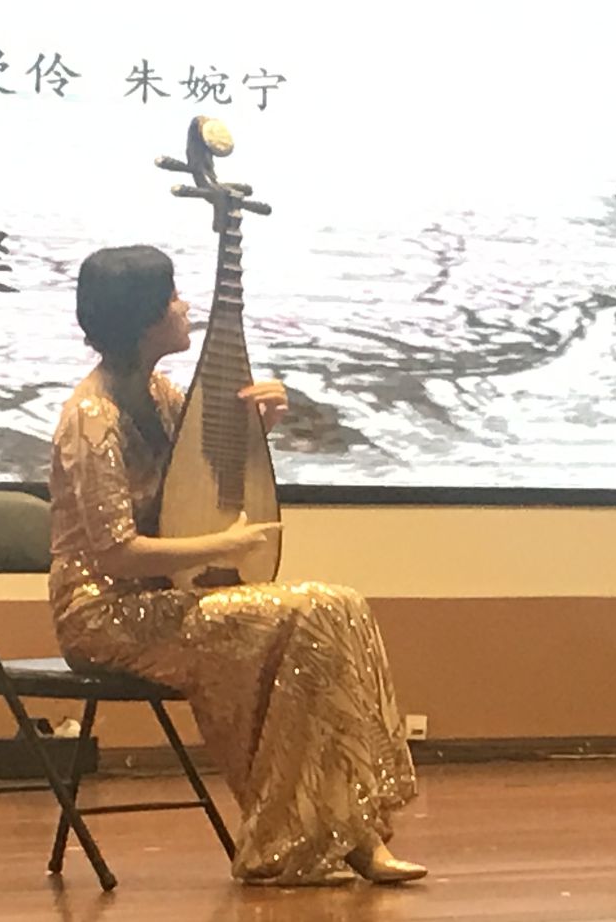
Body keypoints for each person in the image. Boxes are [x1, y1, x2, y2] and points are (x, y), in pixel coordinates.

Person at [47, 244, 424, 886]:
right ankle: (295, 840)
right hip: (106, 615)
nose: (184, 307)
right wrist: (222, 547)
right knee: (310, 614)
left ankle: (349, 827)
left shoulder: (160, 396)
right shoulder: (91, 419)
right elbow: (115, 552)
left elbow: (189, 488)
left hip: (165, 598)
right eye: (171, 299)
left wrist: (259, 428)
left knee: (338, 606)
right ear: (143, 320)